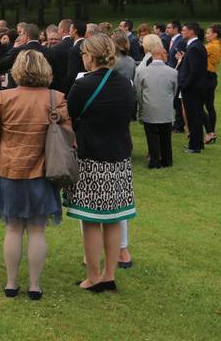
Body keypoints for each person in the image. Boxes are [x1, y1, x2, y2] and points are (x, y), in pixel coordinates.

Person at [0, 50, 72, 300]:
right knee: (37, 230)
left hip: (9, 169)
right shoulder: (57, 98)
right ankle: (35, 286)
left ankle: (11, 283)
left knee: (13, 228)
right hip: (43, 171)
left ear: (17, 70)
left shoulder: (3, 97)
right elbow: (68, 139)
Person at [64, 34, 136, 292]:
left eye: (83, 53)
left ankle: (94, 276)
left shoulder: (82, 86)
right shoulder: (126, 84)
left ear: (91, 56)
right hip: (120, 157)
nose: (82, 57)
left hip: (91, 157)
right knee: (115, 218)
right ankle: (109, 274)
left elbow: (69, 117)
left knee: (92, 220)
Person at [135, 45, 177, 168]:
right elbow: (174, 91)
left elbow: (139, 92)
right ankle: (167, 160)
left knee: (151, 135)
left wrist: (141, 107)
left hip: (149, 108)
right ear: (163, 54)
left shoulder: (142, 72)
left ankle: (154, 160)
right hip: (166, 109)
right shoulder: (173, 72)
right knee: (166, 135)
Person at [177, 22, 208, 153]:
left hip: (193, 89)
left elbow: (195, 71)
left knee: (193, 116)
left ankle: (194, 146)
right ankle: (197, 143)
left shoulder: (194, 47)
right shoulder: (194, 46)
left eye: (184, 30)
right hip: (195, 87)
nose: (182, 32)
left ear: (192, 32)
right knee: (195, 115)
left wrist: (184, 85)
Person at [205, 23, 220, 145]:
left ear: (215, 34)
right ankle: (211, 132)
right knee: (209, 105)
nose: (206, 35)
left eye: (208, 33)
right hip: (210, 77)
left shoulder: (212, 46)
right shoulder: (214, 45)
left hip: (207, 76)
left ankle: (210, 132)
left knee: (204, 106)